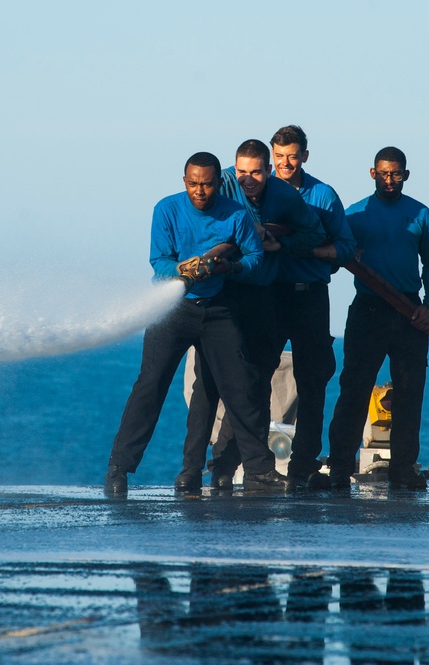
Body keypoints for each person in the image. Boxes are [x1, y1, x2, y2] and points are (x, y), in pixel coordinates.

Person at [104, 151, 283, 496]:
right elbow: (159, 261)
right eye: (194, 183)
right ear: (184, 181)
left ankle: (260, 472)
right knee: (150, 386)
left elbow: (255, 257)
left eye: (207, 184)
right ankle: (118, 469)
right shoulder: (166, 209)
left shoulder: (235, 214)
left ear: (219, 182)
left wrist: (228, 268)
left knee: (241, 387)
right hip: (171, 310)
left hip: (216, 309)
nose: (200, 190)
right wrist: (184, 269)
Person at [181, 139, 325, 492]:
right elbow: (196, 221)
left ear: (268, 170)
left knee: (255, 382)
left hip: (262, 296)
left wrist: (278, 240)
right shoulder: (221, 183)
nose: (247, 180)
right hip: (222, 297)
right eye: (241, 172)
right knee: (208, 385)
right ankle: (195, 471)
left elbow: (315, 233)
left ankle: (245, 468)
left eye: (256, 172)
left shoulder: (285, 197)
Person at [327, 146, 429, 490]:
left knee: (410, 392)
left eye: (396, 174)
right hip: (368, 309)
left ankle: (403, 469)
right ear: (372, 173)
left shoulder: (420, 213)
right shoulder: (355, 215)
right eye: (383, 173)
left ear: (406, 175)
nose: (389, 180)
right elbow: (334, 255)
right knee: (354, 389)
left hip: (409, 312)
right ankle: (338, 468)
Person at [269, 125, 356, 489]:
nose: (285, 163)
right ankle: (252, 463)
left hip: (310, 296)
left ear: (305, 155)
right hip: (268, 296)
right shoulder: (257, 191)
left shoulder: (323, 195)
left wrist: (311, 251)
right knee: (253, 379)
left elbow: (347, 247)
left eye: (292, 156)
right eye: (279, 157)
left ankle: (303, 465)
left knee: (313, 381)